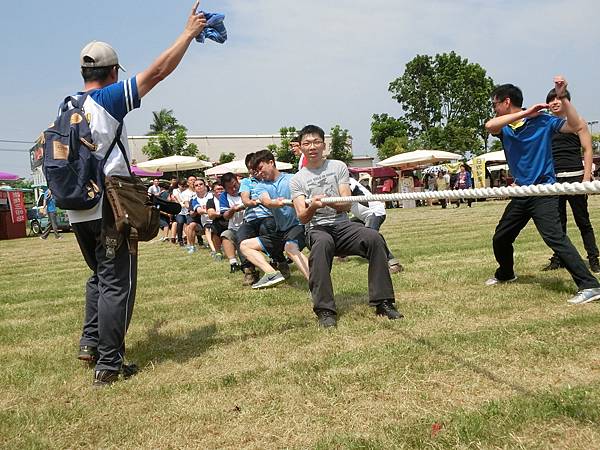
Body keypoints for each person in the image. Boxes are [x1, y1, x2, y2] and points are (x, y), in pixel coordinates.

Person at [67, 3, 207, 387]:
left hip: (77, 211)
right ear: (113, 74)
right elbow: (159, 71)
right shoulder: (107, 100)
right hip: (107, 206)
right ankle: (109, 365)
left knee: (99, 277)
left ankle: (91, 342)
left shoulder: (67, 107)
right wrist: (188, 34)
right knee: (117, 283)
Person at [484, 77, 600, 305]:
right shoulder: (506, 125)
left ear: (506, 102)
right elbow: (490, 126)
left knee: (555, 237)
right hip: (521, 193)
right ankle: (506, 273)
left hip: (544, 190)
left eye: (495, 104)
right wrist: (526, 114)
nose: (494, 109)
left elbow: (577, 126)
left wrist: (563, 97)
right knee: (501, 237)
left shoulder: (545, 121)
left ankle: (590, 285)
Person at [289, 125, 402, 327]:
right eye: (307, 143)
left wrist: (328, 202)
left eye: (316, 142)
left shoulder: (338, 166)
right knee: (321, 245)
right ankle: (325, 311)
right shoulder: (297, 179)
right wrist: (314, 206)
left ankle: (383, 302)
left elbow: (347, 204)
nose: (312, 146)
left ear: (324, 145)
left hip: (343, 225)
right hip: (317, 228)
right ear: (302, 147)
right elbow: (302, 218)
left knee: (374, 238)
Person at [541, 88, 600, 273]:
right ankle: (558, 258)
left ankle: (593, 258)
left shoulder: (577, 122)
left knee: (583, 221)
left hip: (575, 178)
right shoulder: (546, 125)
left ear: (566, 101)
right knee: (558, 223)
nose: (555, 102)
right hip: (554, 180)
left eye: (559, 98)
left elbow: (588, 150)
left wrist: (585, 178)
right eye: (551, 100)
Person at [239, 149, 310, 289]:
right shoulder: (260, 186)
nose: (259, 173)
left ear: (271, 163)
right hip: (281, 232)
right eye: (256, 171)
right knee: (244, 245)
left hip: (299, 226)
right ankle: (272, 274)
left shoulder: (293, 179)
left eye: (260, 168)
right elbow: (266, 201)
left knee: (290, 247)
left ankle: (316, 283)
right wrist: (275, 203)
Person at [348, 177, 403, 273]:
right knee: (346, 229)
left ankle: (393, 263)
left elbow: (346, 196)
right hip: (363, 217)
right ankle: (342, 255)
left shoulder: (347, 181)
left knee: (371, 238)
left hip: (374, 213)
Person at [219, 172, 247, 273]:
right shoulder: (224, 196)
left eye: (235, 185)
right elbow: (225, 216)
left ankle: (246, 265)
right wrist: (232, 210)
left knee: (241, 237)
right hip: (234, 227)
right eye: (230, 188)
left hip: (249, 225)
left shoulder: (246, 190)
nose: (234, 189)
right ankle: (233, 263)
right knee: (226, 235)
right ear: (225, 189)